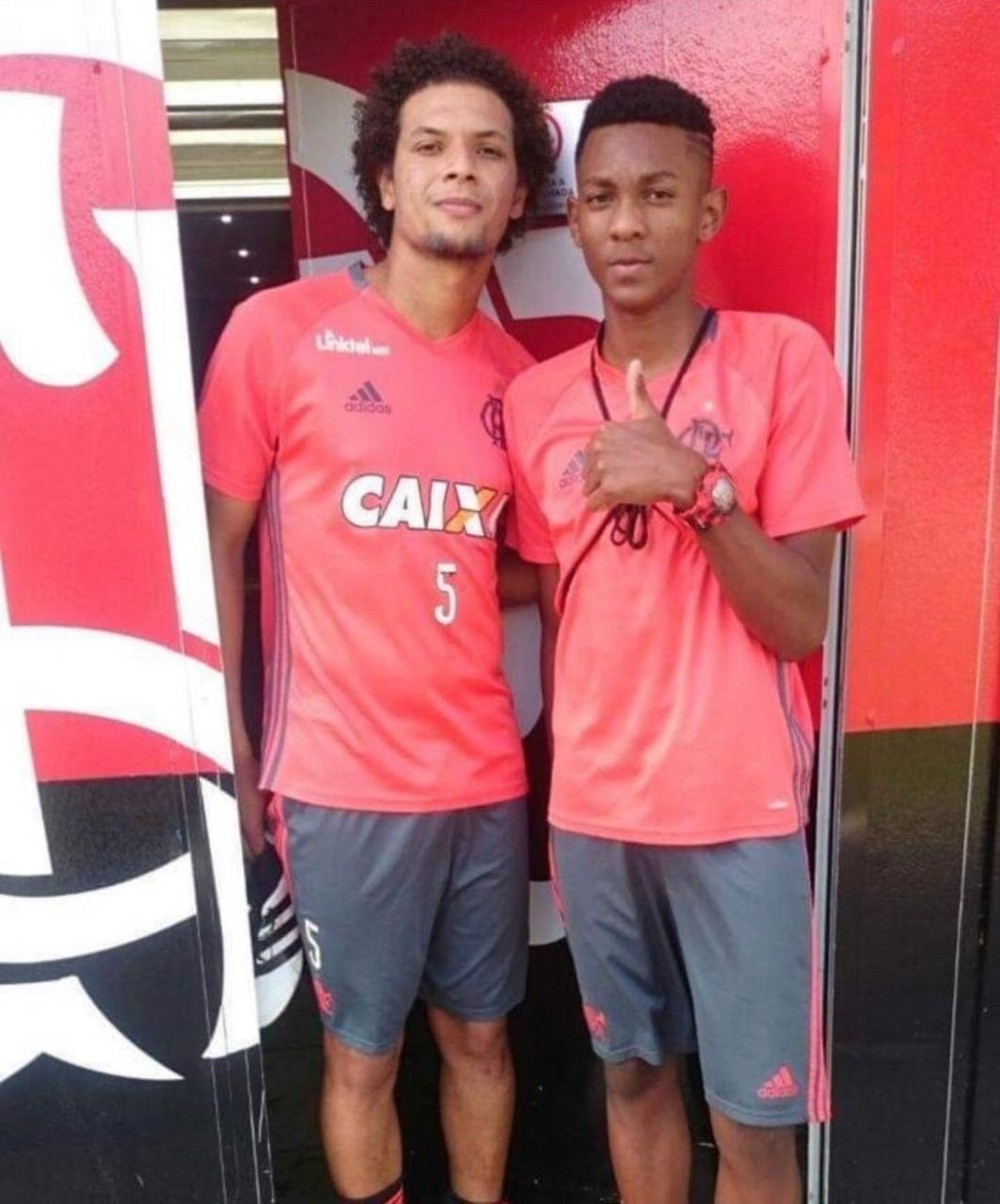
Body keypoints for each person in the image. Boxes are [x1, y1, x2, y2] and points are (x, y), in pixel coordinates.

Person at [198, 33, 554, 1204]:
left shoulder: (520, 382)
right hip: (340, 782)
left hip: (482, 775)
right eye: (432, 146)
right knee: (363, 1054)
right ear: (387, 179)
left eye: (488, 151)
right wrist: (228, 733)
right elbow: (220, 545)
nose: (460, 168)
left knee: (482, 1038)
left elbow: (520, 563)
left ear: (515, 193)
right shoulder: (279, 332)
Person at [503, 76, 865, 1204]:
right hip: (596, 815)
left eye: (658, 195)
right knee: (632, 1078)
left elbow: (799, 618)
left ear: (707, 213)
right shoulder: (537, 401)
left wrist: (694, 486)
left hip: (736, 810)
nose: (626, 223)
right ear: (573, 219)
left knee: (751, 1120)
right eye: (602, 198)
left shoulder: (783, 360)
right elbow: (564, 608)